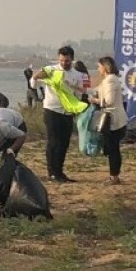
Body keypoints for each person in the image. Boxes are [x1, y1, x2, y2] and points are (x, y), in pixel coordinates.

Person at [30, 46, 87, 184]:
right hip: (52, 110)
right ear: (58, 59)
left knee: (64, 143)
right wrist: (35, 76)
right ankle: (52, 172)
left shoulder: (78, 75)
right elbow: (33, 85)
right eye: (61, 60)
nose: (64, 63)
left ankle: (59, 171)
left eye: (67, 61)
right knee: (53, 142)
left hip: (67, 111)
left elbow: (80, 93)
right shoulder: (51, 70)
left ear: (72, 59)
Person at [91, 57, 128, 184]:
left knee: (113, 148)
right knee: (113, 148)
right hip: (116, 119)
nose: (98, 69)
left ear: (105, 67)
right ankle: (114, 175)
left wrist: (94, 101)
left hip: (114, 120)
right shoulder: (110, 80)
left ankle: (114, 176)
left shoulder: (110, 81)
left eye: (99, 66)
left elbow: (109, 101)